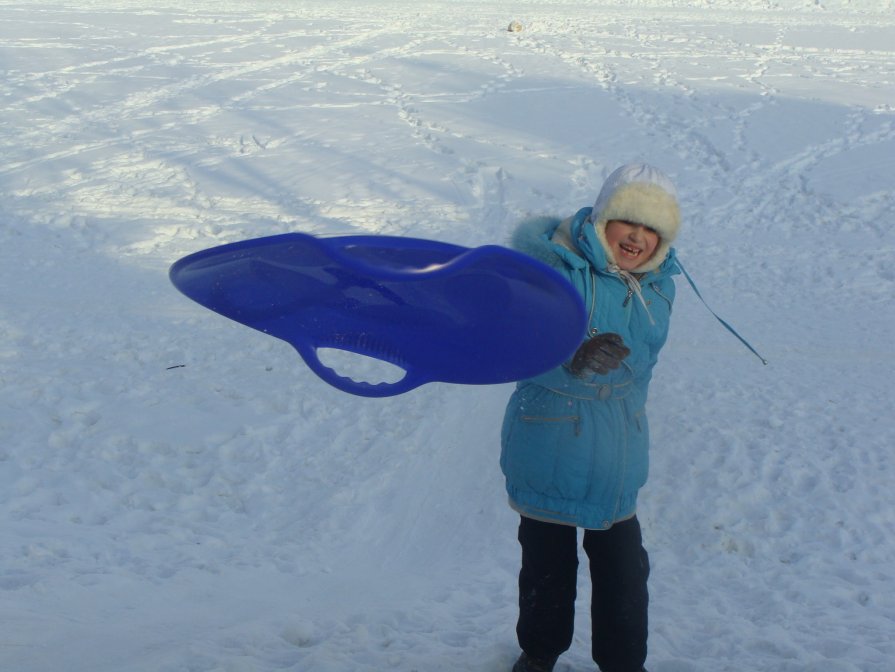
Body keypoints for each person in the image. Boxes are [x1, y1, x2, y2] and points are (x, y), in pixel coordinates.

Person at [500, 163, 682, 672]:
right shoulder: (555, 268)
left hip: (617, 451)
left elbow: (641, 362)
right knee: (546, 567)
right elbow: (518, 349)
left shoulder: (660, 284)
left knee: (624, 571)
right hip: (549, 442)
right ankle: (538, 655)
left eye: (652, 229)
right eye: (630, 221)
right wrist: (572, 359)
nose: (638, 238)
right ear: (604, 219)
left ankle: (625, 665)